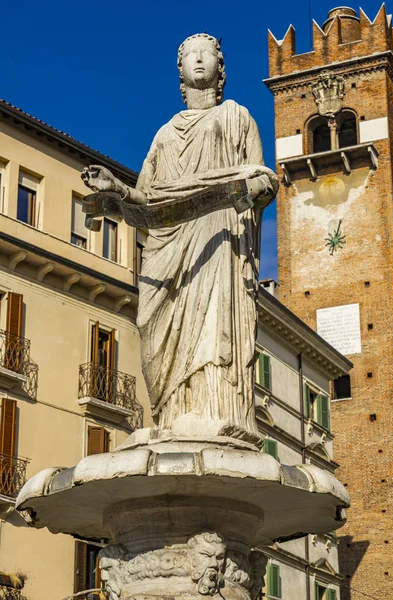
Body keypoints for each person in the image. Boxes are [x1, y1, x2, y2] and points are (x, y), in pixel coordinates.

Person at [82, 34, 278, 444]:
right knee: (155, 330)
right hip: (169, 250)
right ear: (181, 72)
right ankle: (172, 413)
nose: (199, 60)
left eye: (207, 54)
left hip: (219, 241)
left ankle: (217, 410)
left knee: (212, 326)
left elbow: (261, 177)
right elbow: (147, 202)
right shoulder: (165, 136)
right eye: (191, 56)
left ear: (220, 70)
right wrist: (116, 187)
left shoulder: (237, 118)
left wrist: (255, 190)